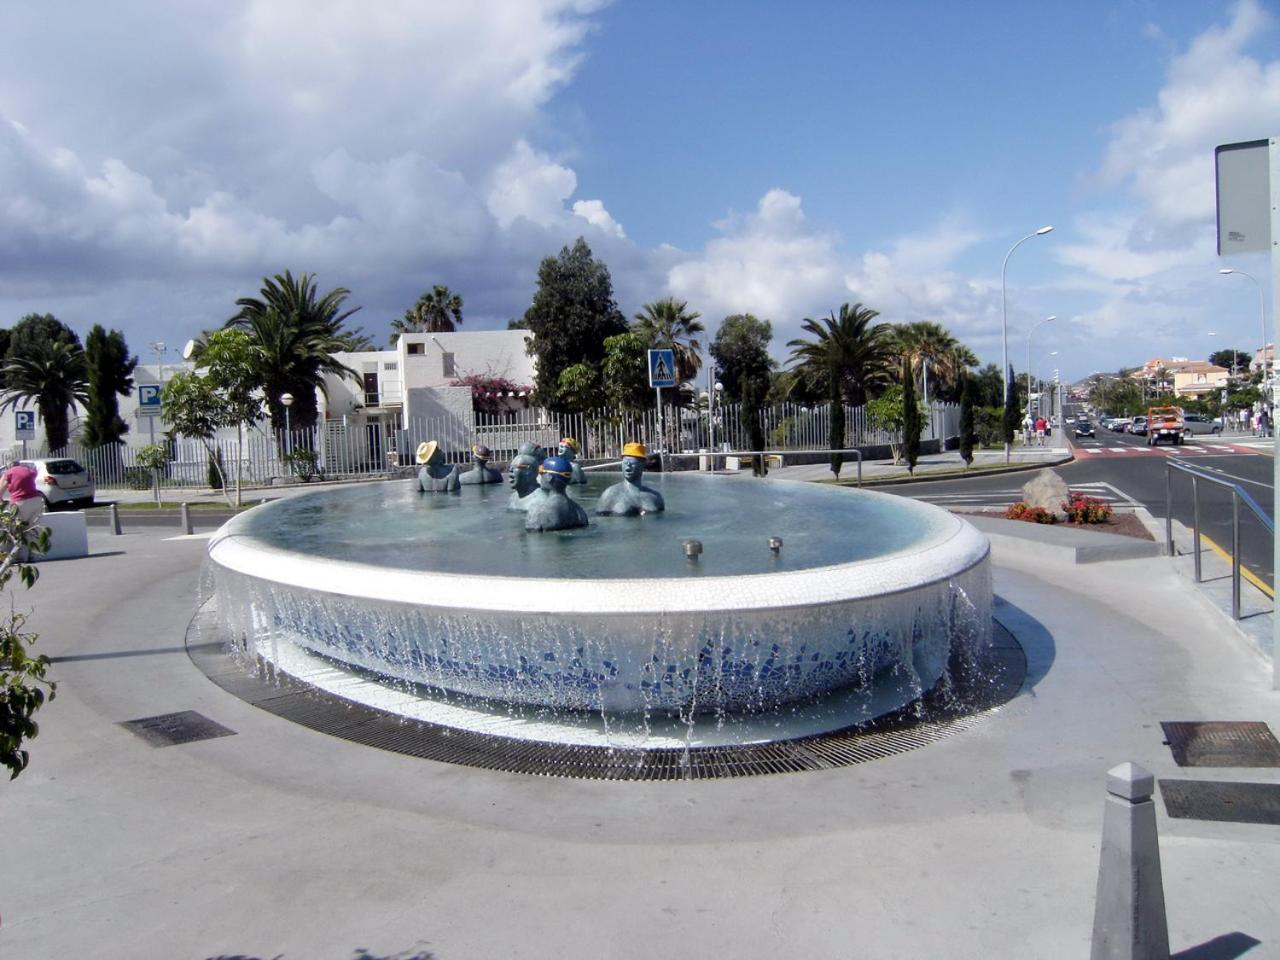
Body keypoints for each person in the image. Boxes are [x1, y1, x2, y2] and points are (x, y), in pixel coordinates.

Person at [597, 442, 665, 516]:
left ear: (643, 464)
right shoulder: (610, 494)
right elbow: (600, 520)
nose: (628, 466)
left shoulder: (656, 497)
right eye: (625, 462)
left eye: (632, 462)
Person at [524, 456, 589, 531]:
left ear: (549, 477)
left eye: (541, 472)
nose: (540, 476)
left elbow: (532, 537)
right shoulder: (580, 512)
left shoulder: (536, 512)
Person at [0, 460, 44, 526]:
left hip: (20, 503)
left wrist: (2, 504)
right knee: (33, 529)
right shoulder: (29, 470)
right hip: (37, 501)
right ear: (19, 464)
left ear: (7, 467)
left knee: (17, 529)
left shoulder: (8, 473)